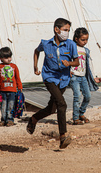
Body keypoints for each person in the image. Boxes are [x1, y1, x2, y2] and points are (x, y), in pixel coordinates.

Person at [27, 18, 79, 149]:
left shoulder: (71, 44)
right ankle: (63, 136)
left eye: (68, 30)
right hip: (49, 78)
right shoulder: (46, 44)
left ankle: (34, 119)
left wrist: (70, 63)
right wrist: (35, 67)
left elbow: (77, 62)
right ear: (57, 29)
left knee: (52, 108)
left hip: (64, 79)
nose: (67, 33)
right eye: (65, 30)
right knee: (62, 104)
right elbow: (36, 51)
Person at [70, 27, 101, 125]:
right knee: (77, 97)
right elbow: (66, 59)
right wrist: (67, 71)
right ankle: (75, 118)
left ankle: (81, 113)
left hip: (83, 77)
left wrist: (94, 77)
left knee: (87, 96)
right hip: (74, 76)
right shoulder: (72, 48)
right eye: (82, 40)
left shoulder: (86, 50)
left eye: (86, 40)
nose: (85, 42)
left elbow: (89, 65)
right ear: (76, 39)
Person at [0, 47, 23, 127]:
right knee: (3, 106)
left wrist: (20, 87)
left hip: (12, 90)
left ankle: (10, 120)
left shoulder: (14, 66)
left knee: (11, 105)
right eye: (6, 57)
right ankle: (3, 120)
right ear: (1, 58)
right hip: (3, 91)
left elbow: (17, 78)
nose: (9, 59)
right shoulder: (0, 66)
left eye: (10, 57)